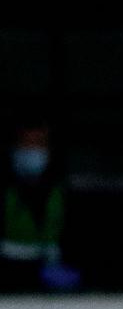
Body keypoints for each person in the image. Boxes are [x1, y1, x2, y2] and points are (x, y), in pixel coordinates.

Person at [0, 119, 80, 292]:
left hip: (47, 271)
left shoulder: (60, 190)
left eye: (38, 144)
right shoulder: (6, 187)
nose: (32, 150)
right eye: (27, 144)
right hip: (7, 270)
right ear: (15, 148)